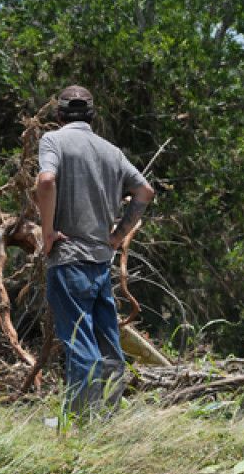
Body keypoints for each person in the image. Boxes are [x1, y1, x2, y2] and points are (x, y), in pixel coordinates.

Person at [35, 85, 155, 420]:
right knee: (108, 346)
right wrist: (117, 237)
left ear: (59, 115)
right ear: (92, 115)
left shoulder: (53, 141)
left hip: (68, 259)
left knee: (80, 345)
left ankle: (80, 424)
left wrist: (47, 232)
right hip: (101, 262)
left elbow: (46, 181)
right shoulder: (111, 151)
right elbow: (145, 191)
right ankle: (107, 422)